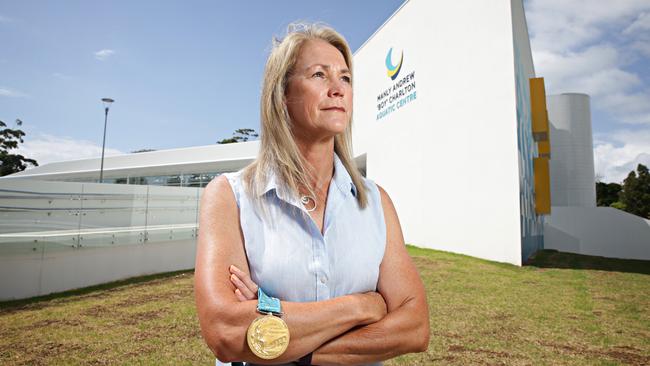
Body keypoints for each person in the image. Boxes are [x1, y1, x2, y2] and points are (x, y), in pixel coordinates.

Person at [194, 22, 430, 365]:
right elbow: (227, 331)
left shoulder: (376, 202)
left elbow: (414, 327)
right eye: (320, 75)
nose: (338, 89)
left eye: (345, 78)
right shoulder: (230, 196)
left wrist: (277, 327)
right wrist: (363, 306)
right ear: (283, 93)